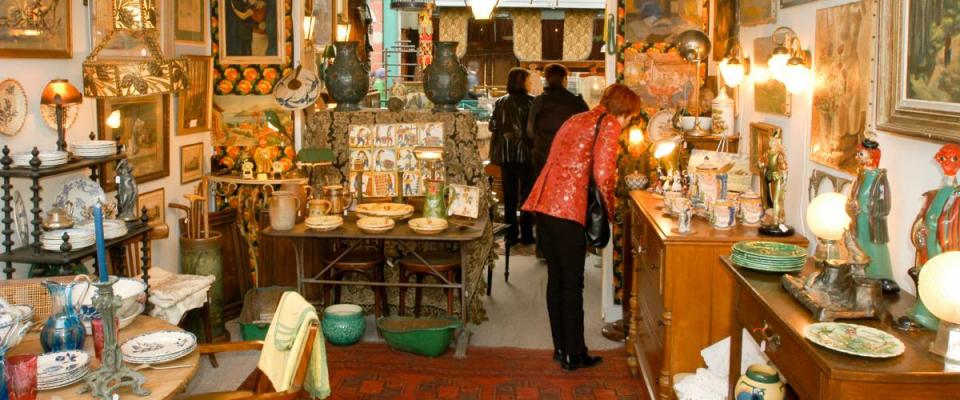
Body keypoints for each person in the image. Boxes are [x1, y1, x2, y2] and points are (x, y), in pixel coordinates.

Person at [522, 84, 641, 371]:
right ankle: (575, 353)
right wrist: (612, 211)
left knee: (557, 280)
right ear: (623, 111)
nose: (627, 124)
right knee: (573, 283)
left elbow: (555, 160)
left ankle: (561, 348)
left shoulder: (578, 118)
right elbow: (603, 174)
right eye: (630, 117)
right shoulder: (608, 123)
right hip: (567, 208)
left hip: (543, 203)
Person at [527, 64, 589, 257]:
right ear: (564, 80)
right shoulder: (576, 102)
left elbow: (529, 130)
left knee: (543, 203)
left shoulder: (539, 102)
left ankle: (544, 248)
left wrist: (540, 144)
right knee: (568, 202)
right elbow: (587, 131)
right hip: (569, 161)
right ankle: (567, 248)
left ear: (546, 79)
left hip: (542, 158)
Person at [489, 68, 536, 245]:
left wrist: (506, 130)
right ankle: (527, 235)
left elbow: (492, 125)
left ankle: (510, 235)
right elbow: (533, 129)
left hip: (507, 155)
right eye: (529, 80)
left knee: (509, 197)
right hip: (526, 154)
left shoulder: (500, 102)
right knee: (527, 195)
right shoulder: (532, 102)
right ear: (522, 82)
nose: (531, 84)